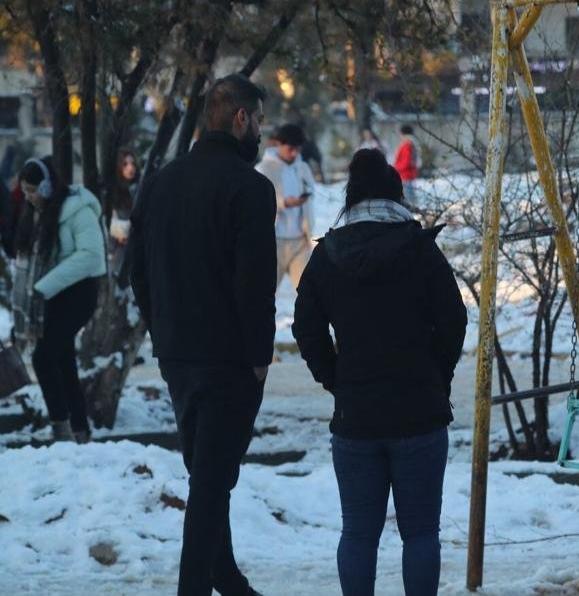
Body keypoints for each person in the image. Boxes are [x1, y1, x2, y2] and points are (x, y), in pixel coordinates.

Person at [292, 148, 467, 596]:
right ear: (397, 196)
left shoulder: (327, 255)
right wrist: (436, 377)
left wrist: (335, 379)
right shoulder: (421, 250)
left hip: (356, 416)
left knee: (358, 533)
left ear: (351, 196)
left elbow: (306, 327)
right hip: (420, 411)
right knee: (421, 533)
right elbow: (454, 320)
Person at [129, 74, 276, 596]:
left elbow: (137, 271)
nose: (260, 132)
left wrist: (162, 330)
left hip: (178, 355)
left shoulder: (160, 183)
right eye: (259, 120)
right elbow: (254, 283)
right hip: (228, 359)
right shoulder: (249, 188)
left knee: (208, 472)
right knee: (212, 484)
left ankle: (225, 576)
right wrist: (259, 357)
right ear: (240, 118)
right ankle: (195, 585)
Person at [10, 157, 105, 443]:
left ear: (48, 186)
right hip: (53, 293)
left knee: (43, 357)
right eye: (25, 191)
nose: (29, 197)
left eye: (32, 190)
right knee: (63, 359)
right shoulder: (39, 212)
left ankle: (61, 429)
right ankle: (80, 430)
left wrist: (42, 287)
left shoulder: (78, 209)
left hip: (79, 292)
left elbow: (91, 256)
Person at [257, 123, 317, 291]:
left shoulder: (303, 168)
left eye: (298, 149)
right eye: (290, 148)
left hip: (300, 241)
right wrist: (283, 203)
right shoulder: (263, 169)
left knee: (310, 291)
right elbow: (256, 203)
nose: (294, 154)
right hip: (273, 242)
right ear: (279, 144)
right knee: (263, 292)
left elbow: (311, 195)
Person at [108, 149, 140, 270]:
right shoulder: (113, 192)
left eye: (132, 163)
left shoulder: (141, 188)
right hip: (118, 250)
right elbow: (108, 223)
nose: (130, 167)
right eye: (125, 164)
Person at [392, 124, 421, 204]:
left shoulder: (407, 145)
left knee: (408, 200)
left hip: (405, 175)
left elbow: (406, 162)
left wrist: (395, 168)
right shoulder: (412, 143)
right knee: (410, 198)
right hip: (408, 175)